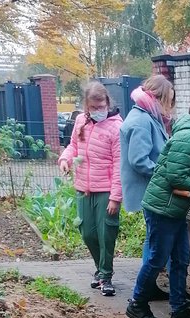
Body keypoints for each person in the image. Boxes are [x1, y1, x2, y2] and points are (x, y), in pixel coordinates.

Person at [125, 99, 190, 318]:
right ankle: (137, 304)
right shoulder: (189, 137)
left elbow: (181, 172)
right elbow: (176, 176)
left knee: (180, 259)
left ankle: (179, 311)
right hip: (162, 208)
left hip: (173, 208)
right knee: (157, 259)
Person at [58, 82, 123, 296]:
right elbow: (73, 146)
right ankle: (99, 269)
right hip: (83, 187)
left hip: (105, 189)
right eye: (93, 108)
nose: (97, 111)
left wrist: (115, 197)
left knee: (106, 233)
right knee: (87, 232)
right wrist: (66, 159)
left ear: (107, 102)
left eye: (101, 105)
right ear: (86, 106)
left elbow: (119, 164)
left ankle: (105, 275)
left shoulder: (116, 127)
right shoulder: (80, 122)